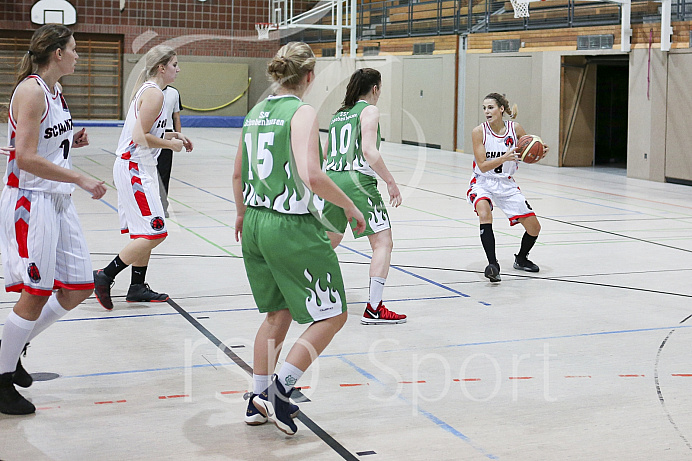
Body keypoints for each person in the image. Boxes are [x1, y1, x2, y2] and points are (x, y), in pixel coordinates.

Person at [233, 42, 365, 436]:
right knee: (333, 313)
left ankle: (257, 401)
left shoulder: (256, 111)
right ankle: (279, 390)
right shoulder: (302, 111)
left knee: (277, 313)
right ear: (310, 76)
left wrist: (241, 213)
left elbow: (238, 173)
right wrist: (351, 208)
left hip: (253, 222)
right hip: (287, 225)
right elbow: (313, 174)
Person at [0, 24, 107, 415]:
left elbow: (40, 143)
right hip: (31, 200)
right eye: (74, 49)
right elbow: (25, 158)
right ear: (57, 53)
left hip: (58, 201)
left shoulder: (54, 91)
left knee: (78, 287)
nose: (78, 55)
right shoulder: (30, 90)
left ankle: (11, 348)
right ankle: (1, 378)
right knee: (36, 291)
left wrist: (68, 141)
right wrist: (79, 175)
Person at [93, 45, 192, 310]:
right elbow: (139, 138)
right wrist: (170, 146)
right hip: (134, 167)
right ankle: (105, 275)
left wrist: (173, 135)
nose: (178, 69)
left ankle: (137, 286)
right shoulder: (154, 94)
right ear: (161, 67)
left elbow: (146, 130)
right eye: (174, 64)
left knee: (144, 231)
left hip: (140, 166)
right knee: (156, 232)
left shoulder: (152, 91)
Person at [322, 68, 406, 325]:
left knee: (329, 242)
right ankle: (374, 308)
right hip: (357, 181)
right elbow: (369, 151)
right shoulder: (369, 110)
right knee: (382, 243)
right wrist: (390, 181)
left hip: (332, 180)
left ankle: (311, 295)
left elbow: (326, 154)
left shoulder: (338, 115)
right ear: (375, 89)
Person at [467, 92, 548, 283]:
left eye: (491, 107)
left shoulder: (515, 129)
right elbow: (483, 165)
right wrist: (504, 157)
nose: (486, 111)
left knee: (534, 228)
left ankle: (521, 258)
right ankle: (492, 265)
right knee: (484, 213)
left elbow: (527, 152)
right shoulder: (479, 132)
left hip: (506, 182)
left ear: (501, 109)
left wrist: (539, 153)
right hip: (483, 181)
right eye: (484, 108)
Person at [156, 84, 183, 218]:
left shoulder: (174, 92)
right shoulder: (149, 89)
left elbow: (176, 117)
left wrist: (179, 136)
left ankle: (162, 205)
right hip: (151, 133)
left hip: (168, 133)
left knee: (164, 172)